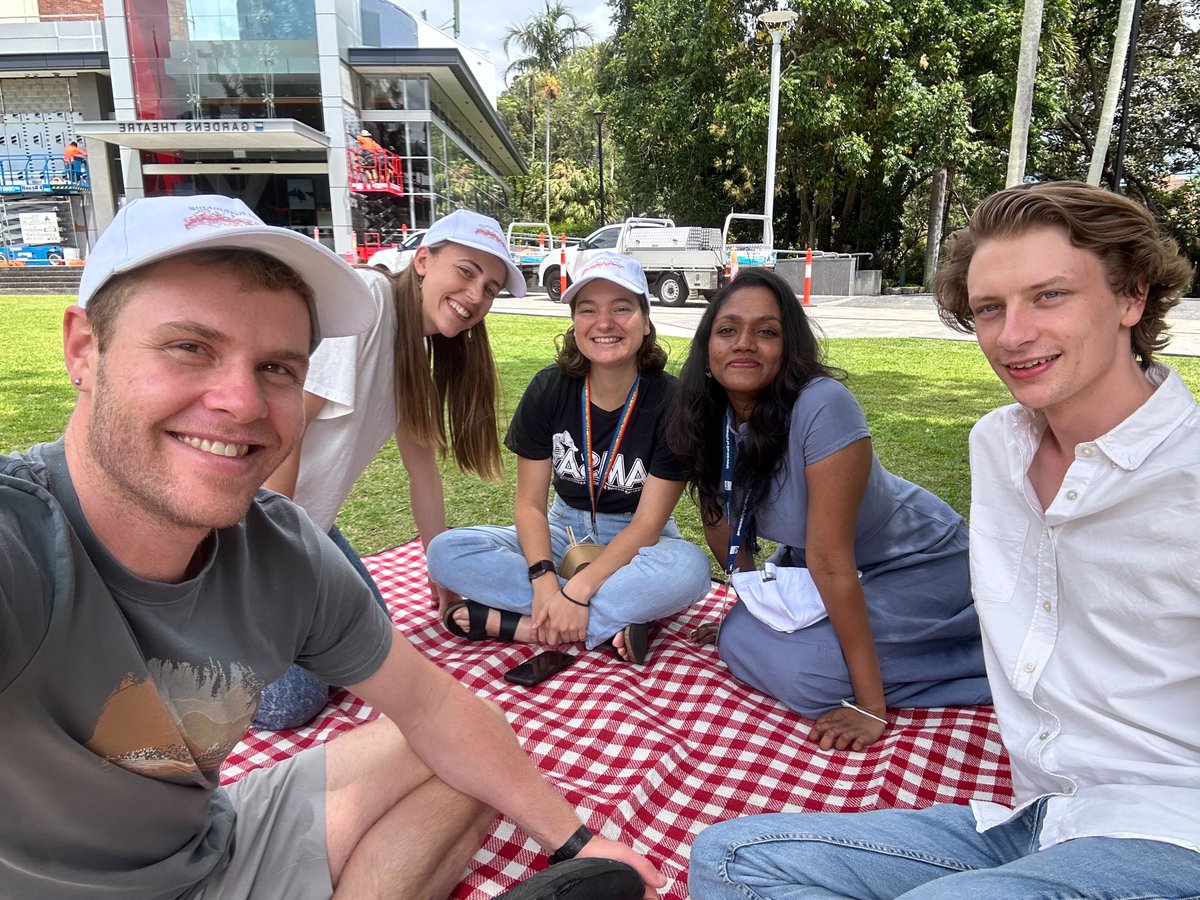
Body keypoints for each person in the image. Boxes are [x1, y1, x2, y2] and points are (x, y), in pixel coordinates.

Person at [0, 194, 661, 900]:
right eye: (190, 346)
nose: (242, 402)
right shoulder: (24, 545)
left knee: (474, 744)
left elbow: (437, 706)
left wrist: (582, 844)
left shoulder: (283, 547)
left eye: (278, 367)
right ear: (83, 350)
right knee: (291, 700)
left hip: (208, 845)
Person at [688, 182, 1200, 897]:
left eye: (1049, 295)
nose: (1012, 334)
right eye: (990, 307)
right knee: (732, 858)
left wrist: (869, 703)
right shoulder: (999, 446)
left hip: (1172, 830)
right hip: (1036, 815)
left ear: (1131, 298)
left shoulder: (1187, 478)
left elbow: (834, 555)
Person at [666, 268, 990, 751]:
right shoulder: (705, 413)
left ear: (789, 347)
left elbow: (831, 560)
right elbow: (719, 521)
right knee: (738, 635)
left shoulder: (823, 405)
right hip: (822, 572)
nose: (745, 343)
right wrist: (752, 606)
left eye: (767, 331)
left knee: (806, 674)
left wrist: (869, 705)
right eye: (728, 329)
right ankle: (846, 654)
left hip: (917, 563)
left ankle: (972, 656)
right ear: (707, 350)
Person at [255, 207, 522, 729]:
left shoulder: (415, 348)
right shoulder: (367, 303)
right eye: (466, 271)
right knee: (293, 701)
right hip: (253, 529)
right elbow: (284, 436)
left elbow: (422, 472)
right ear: (423, 260)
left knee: (371, 638)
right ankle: (177, 639)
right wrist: (277, 565)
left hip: (311, 525)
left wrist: (438, 566)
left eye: (490, 288)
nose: (475, 296)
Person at [425, 253, 711, 664]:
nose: (605, 323)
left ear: (646, 322)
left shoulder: (673, 401)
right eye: (588, 309)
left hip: (639, 540)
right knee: (446, 551)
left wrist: (576, 592)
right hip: (564, 530)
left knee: (689, 569)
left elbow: (649, 524)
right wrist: (545, 583)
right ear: (575, 323)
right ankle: (606, 620)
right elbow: (528, 505)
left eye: (622, 308)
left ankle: (523, 625)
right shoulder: (549, 389)